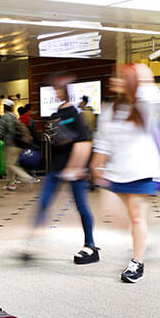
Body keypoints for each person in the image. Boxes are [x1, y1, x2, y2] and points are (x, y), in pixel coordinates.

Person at [91, 64, 160, 283]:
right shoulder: (109, 109)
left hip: (141, 169)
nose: (114, 80)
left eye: (121, 77)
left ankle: (137, 263)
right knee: (113, 215)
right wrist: (97, 163)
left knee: (136, 216)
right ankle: (142, 241)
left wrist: (144, 74)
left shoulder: (145, 107)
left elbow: (154, 95)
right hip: (116, 172)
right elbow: (103, 140)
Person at [23, 73, 96, 264]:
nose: (55, 92)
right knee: (44, 202)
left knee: (81, 206)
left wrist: (76, 168)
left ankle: (90, 244)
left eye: (58, 88)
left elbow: (84, 142)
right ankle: (31, 244)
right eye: (54, 88)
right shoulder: (56, 113)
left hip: (74, 170)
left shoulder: (73, 113)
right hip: (56, 168)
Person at [0, 99, 34, 191]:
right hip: (18, 144)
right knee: (12, 164)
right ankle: (10, 184)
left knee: (10, 165)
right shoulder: (14, 117)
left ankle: (28, 178)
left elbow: (0, 131)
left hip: (10, 145)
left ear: (5, 108)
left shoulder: (5, 117)